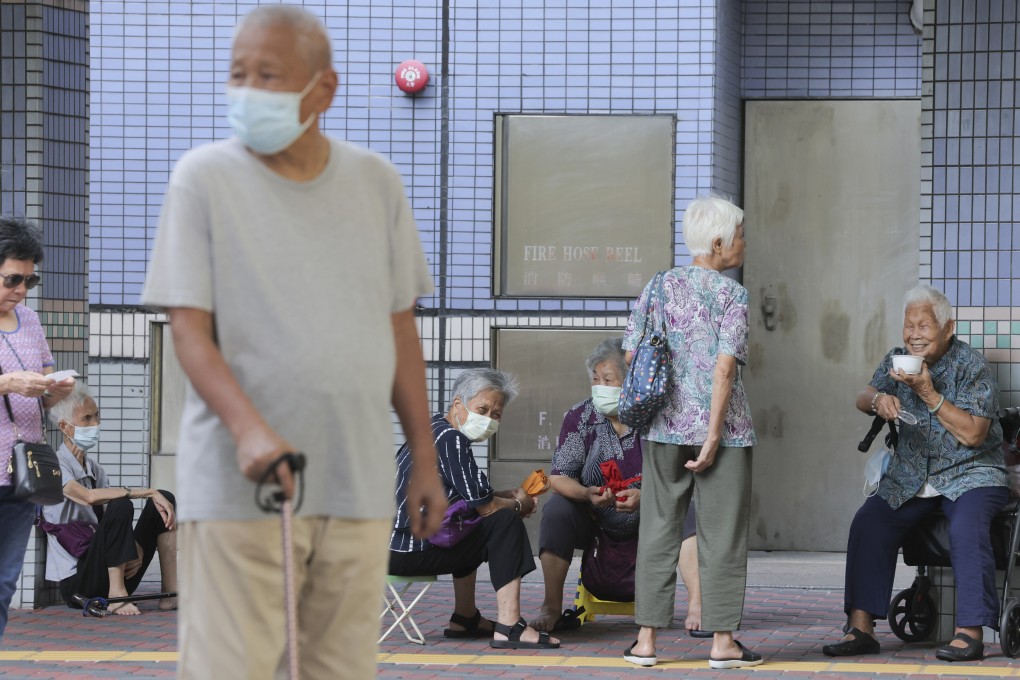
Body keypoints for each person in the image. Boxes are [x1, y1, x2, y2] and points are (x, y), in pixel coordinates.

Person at [140, 6, 446, 678]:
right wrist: (248, 430)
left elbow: (400, 329)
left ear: (323, 90)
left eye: (268, 74)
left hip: (356, 481)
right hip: (237, 487)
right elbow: (188, 331)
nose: (247, 89)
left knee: (337, 668)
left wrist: (425, 457)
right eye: (237, 74)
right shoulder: (203, 179)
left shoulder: (377, 184)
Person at [822, 285, 1008, 663]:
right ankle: (860, 629)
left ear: (948, 328)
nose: (914, 334)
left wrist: (928, 393)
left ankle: (969, 632)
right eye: (909, 325)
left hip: (970, 472)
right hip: (912, 474)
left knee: (967, 525)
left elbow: (974, 434)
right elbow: (864, 394)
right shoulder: (897, 359)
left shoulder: (972, 366)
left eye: (924, 325)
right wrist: (877, 400)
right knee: (869, 522)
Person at [623, 196, 760, 669]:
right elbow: (724, 369)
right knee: (721, 534)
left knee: (658, 528)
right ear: (719, 243)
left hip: (663, 426)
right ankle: (722, 643)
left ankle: (645, 642)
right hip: (726, 432)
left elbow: (630, 357)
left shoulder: (658, 286)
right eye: (740, 235)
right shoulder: (732, 295)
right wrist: (714, 433)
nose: (744, 243)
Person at [532, 337, 704, 636]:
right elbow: (559, 477)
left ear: (631, 382)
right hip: (597, 520)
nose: (600, 386)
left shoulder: (659, 416)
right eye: (595, 379)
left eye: (608, 379)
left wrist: (646, 496)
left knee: (687, 511)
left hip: (653, 518)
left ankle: (699, 605)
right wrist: (586, 493)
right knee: (557, 510)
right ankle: (551, 607)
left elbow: (683, 476)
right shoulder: (581, 417)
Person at [389, 369, 560, 649]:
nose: (488, 419)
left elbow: (469, 497)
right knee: (504, 522)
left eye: (496, 414)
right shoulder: (451, 440)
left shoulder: (432, 429)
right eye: (482, 409)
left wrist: (504, 497)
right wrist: (518, 504)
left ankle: (465, 618)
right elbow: (486, 507)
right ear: (458, 405)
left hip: (389, 548)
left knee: (473, 523)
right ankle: (509, 626)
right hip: (408, 549)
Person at [0, 215, 75, 640]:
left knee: (4, 584)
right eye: (13, 279)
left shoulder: (29, 321)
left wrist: (54, 389)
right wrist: (7, 383)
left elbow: (45, 391)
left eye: (30, 279)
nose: (22, 290)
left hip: (20, 474)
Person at [42, 383, 177, 615]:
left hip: (115, 571)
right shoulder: (54, 465)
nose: (96, 424)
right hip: (79, 583)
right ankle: (116, 595)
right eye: (87, 418)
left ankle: (171, 594)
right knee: (122, 500)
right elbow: (86, 497)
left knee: (165, 498)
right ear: (65, 427)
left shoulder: (95, 469)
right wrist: (145, 491)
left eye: (97, 416)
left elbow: (111, 525)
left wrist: (134, 550)